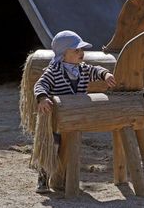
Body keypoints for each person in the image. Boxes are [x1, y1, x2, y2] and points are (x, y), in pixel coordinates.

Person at [34, 30, 116, 193]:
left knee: (70, 148)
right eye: (76, 50)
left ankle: (62, 178)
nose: (81, 53)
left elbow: (95, 70)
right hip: (56, 119)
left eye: (81, 50)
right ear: (63, 54)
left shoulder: (83, 69)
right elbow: (40, 85)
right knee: (52, 147)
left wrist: (105, 74)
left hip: (74, 118)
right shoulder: (53, 71)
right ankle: (43, 178)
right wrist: (43, 98)